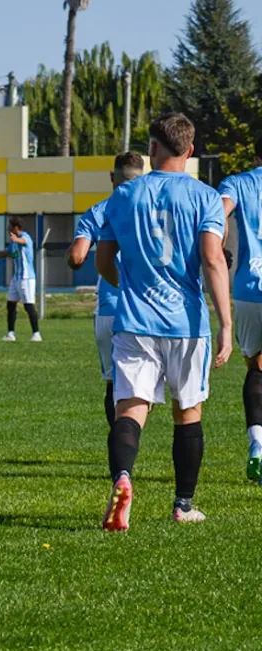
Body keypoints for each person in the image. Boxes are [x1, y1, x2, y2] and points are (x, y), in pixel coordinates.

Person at [96, 112, 231, 531]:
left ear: (152, 147)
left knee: (130, 410)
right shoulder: (206, 197)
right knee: (187, 412)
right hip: (186, 324)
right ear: (189, 152)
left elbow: (103, 261)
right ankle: (184, 503)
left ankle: (123, 478)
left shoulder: (123, 195)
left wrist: (131, 282)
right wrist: (225, 323)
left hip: (134, 321)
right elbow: (211, 258)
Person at [66, 151, 145, 427]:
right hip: (147, 308)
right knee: (143, 387)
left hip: (109, 309)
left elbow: (77, 257)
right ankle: (129, 444)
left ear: (112, 177)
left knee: (113, 384)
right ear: (142, 178)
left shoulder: (99, 211)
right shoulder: (151, 208)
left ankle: (119, 450)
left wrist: (72, 257)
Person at [218, 135, 262, 483]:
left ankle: (257, 445)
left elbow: (219, 214)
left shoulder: (238, 183)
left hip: (249, 287)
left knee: (256, 366)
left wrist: (219, 247)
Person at [0, 218, 41, 341]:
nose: (8, 229)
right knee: (11, 304)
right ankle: (11, 334)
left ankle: (36, 334)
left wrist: (16, 239)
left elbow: (24, 241)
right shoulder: (13, 244)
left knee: (28, 306)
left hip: (26, 278)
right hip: (16, 278)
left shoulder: (25, 237)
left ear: (16, 227)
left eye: (10, 226)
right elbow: (4, 253)